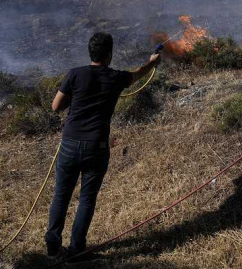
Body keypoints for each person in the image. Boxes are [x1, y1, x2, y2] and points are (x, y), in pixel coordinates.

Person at [45, 32, 160, 257]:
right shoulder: (116, 77)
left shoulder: (75, 74)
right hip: (96, 147)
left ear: (90, 52)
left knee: (61, 195)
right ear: (109, 54)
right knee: (87, 198)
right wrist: (152, 62)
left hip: (69, 143)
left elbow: (55, 107)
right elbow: (138, 74)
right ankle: (76, 250)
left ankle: (52, 247)